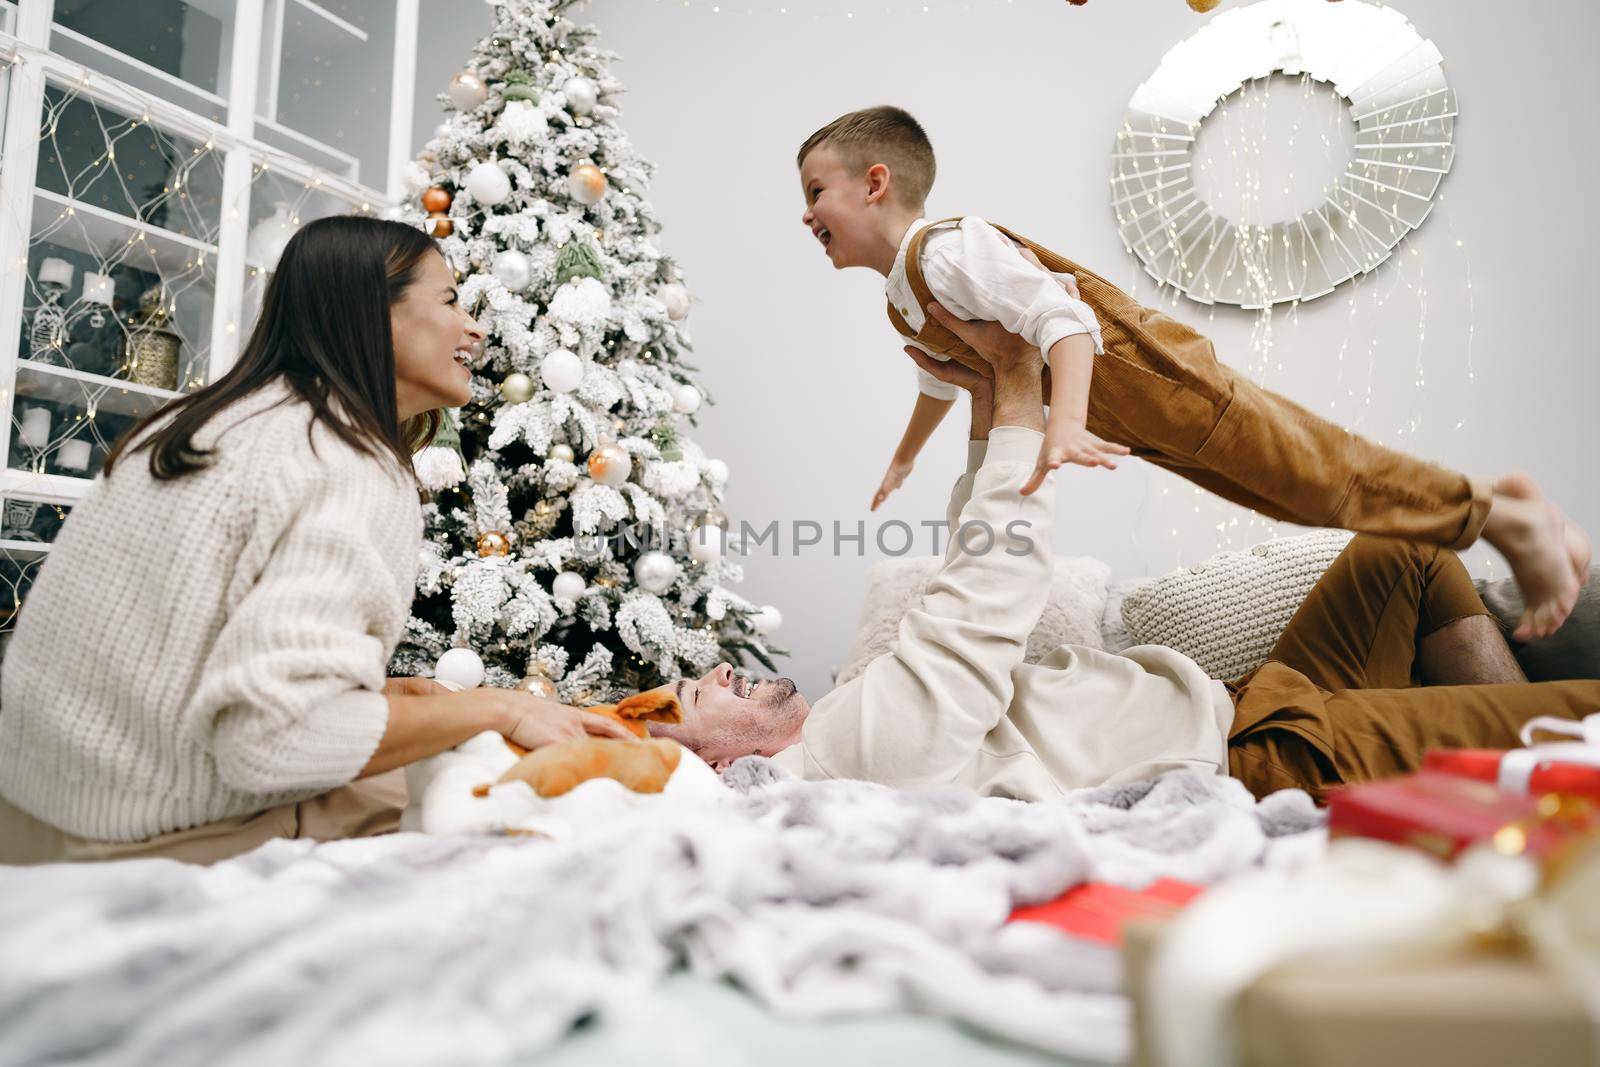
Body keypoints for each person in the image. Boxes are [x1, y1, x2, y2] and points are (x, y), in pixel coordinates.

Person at [652, 303, 1599, 803]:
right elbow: (983, 596)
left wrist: (989, 401)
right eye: (704, 695)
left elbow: (960, 573)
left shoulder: (859, 716)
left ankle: (1490, 755)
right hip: (1262, 758)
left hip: (1257, 698)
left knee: (1404, 555)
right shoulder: (844, 758)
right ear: (710, 761)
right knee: (1584, 720)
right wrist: (1023, 380)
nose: (724, 671)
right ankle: (1513, 777)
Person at [796, 105, 1590, 642]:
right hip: (1140, 421)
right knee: (1296, 498)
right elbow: (940, 381)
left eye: (815, 192)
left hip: (1165, 383)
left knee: (1325, 479)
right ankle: (1499, 505)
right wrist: (905, 455)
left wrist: (1064, 423)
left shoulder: (947, 249)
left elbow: (1064, 320)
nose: (806, 214)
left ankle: (1499, 517)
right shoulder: (902, 299)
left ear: (876, 183)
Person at [0, 216, 631, 866]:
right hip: (143, 842)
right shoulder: (345, 460)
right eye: (449, 301)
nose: (474, 327)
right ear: (376, 315)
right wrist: (494, 707)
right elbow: (271, 739)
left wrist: (381, 694)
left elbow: (181, 658)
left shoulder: (213, 422)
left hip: (32, 808)